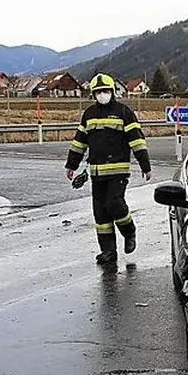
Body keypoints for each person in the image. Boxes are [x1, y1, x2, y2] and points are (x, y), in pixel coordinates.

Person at [65, 73, 152, 266]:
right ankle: (108, 251)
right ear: (93, 94)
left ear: (112, 92)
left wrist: (145, 166)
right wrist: (71, 165)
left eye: (105, 91)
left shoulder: (123, 112)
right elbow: (79, 142)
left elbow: (137, 141)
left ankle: (129, 232)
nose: (102, 94)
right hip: (96, 173)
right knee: (100, 213)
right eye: (98, 92)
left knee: (114, 204)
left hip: (118, 171)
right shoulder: (89, 114)